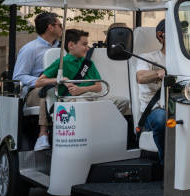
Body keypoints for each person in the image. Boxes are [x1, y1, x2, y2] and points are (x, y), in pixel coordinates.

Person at [33, 28, 130, 150]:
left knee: (123, 102)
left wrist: (81, 89)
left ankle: (101, 132)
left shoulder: (88, 63)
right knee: (84, 106)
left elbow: (98, 86)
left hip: (92, 97)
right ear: (71, 45)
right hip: (72, 99)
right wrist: (60, 79)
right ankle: (89, 139)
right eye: (84, 44)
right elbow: (39, 82)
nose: (87, 48)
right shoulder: (62, 62)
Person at [135, 19, 166, 162]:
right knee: (162, 119)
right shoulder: (148, 57)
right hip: (154, 110)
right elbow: (140, 77)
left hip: (183, 105)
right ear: (161, 35)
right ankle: (168, 166)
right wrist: (158, 73)